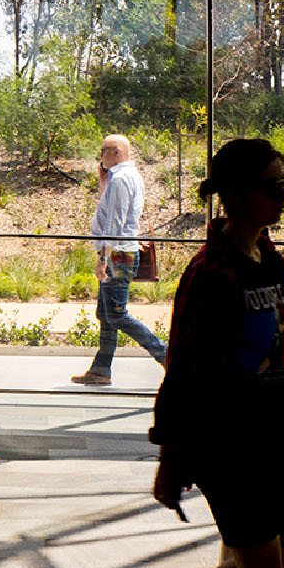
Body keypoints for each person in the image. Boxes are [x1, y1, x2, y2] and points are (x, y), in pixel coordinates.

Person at [141, 138, 284, 568]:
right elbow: (183, 366)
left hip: (272, 437)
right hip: (228, 442)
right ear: (234, 196)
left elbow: (283, 355)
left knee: (277, 560)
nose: (282, 195)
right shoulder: (211, 273)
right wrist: (171, 456)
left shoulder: (270, 257)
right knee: (259, 567)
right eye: (271, 187)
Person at [70, 132, 167, 388]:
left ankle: (166, 355)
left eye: (103, 151)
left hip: (118, 255)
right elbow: (109, 213)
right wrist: (103, 185)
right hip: (118, 254)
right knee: (106, 314)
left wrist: (103, 258)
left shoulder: (122, 179)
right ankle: (101, 370)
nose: (100, 157)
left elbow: (114, 224)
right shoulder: (117, 179)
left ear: (117, 153)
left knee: (116, 315)